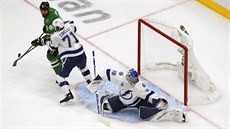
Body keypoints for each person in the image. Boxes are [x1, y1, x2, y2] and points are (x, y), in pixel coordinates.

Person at [87, 68, 187, 122]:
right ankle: (112, 96)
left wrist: (159, 102)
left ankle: (172, 114)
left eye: (135, 79)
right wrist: (95, 84)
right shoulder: (120, 77)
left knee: (146, 115)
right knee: (105, 107)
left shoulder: (140, 86)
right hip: (122, 100)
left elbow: (150, 95)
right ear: (127, 77)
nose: (134, 81)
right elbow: (106, 73)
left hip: (137, 102)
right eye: (132, 79)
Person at [31, 18, 92, 104]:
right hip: (81, 53)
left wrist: (41, 42)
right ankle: (91, 83)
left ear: (56, 28)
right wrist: (66, 23)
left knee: (60, 77)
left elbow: (52, 48)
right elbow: (72, 23)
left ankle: (68, 95)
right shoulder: (69, 27)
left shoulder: (55, 36)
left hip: (71, 58)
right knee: (83, 68)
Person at [38, 1, 62, 75]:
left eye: (44, 10)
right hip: (58, 34)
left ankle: (60, 76)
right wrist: (47, 28)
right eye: (41, 10)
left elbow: (53, 35)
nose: (43, 12)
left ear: (48, 9)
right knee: (56, 51)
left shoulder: (51, 18)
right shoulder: (51, 11)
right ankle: (60, 60)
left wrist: (41, 41)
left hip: (58, 37)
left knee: (50, 55)